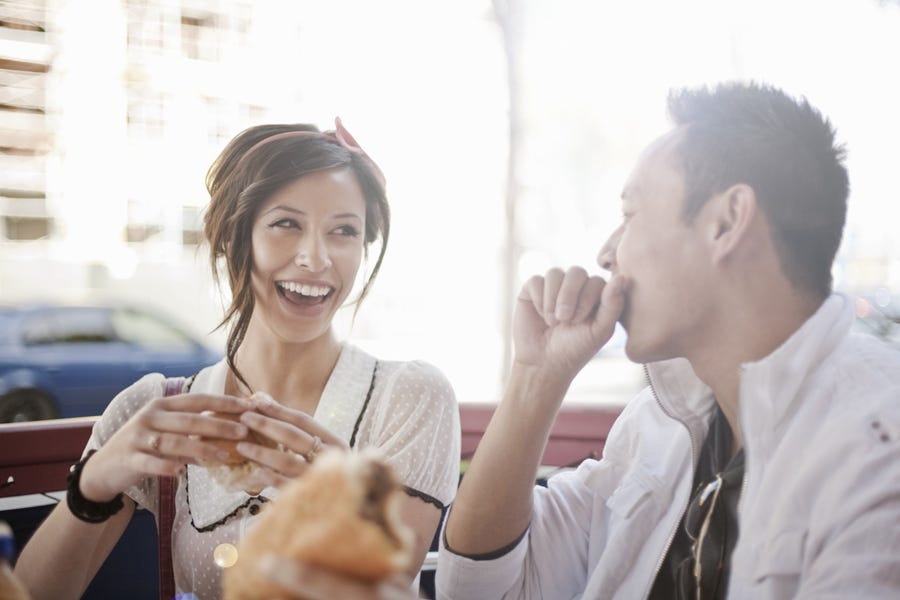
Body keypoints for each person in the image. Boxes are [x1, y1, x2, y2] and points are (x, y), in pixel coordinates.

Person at [434, 81, 900, 599]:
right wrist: (536, 377)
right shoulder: (657, 426)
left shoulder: (876, 452)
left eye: (630, 215)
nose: (607, 253)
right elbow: (476, 587)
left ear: (726, 222)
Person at [14, 119, 461, 600]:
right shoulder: (152, 407)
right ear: (232, 236)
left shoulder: (410, 399)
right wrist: (94, 484)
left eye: (344, 231)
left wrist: (345, 512)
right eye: (286, 224)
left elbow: (389, 584)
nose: (315, 257)